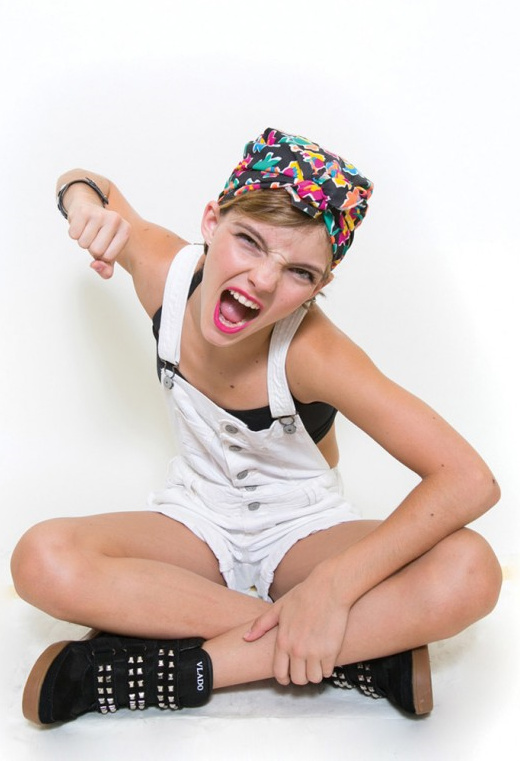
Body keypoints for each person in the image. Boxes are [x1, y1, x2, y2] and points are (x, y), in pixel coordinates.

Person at [11, 128, 502, 726]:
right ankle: (357, 654)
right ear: (211, 221)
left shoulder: (315, 352)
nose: (263, 281)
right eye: (248, 241)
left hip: (300, 529)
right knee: (41, 558)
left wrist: (332, 587)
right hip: (196, 518)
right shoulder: (165, 272)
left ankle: (183, 673)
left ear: (319, 288)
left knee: (470, 569)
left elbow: (469, 479)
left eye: (300, 272)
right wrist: (83, 205)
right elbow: (86, 181)